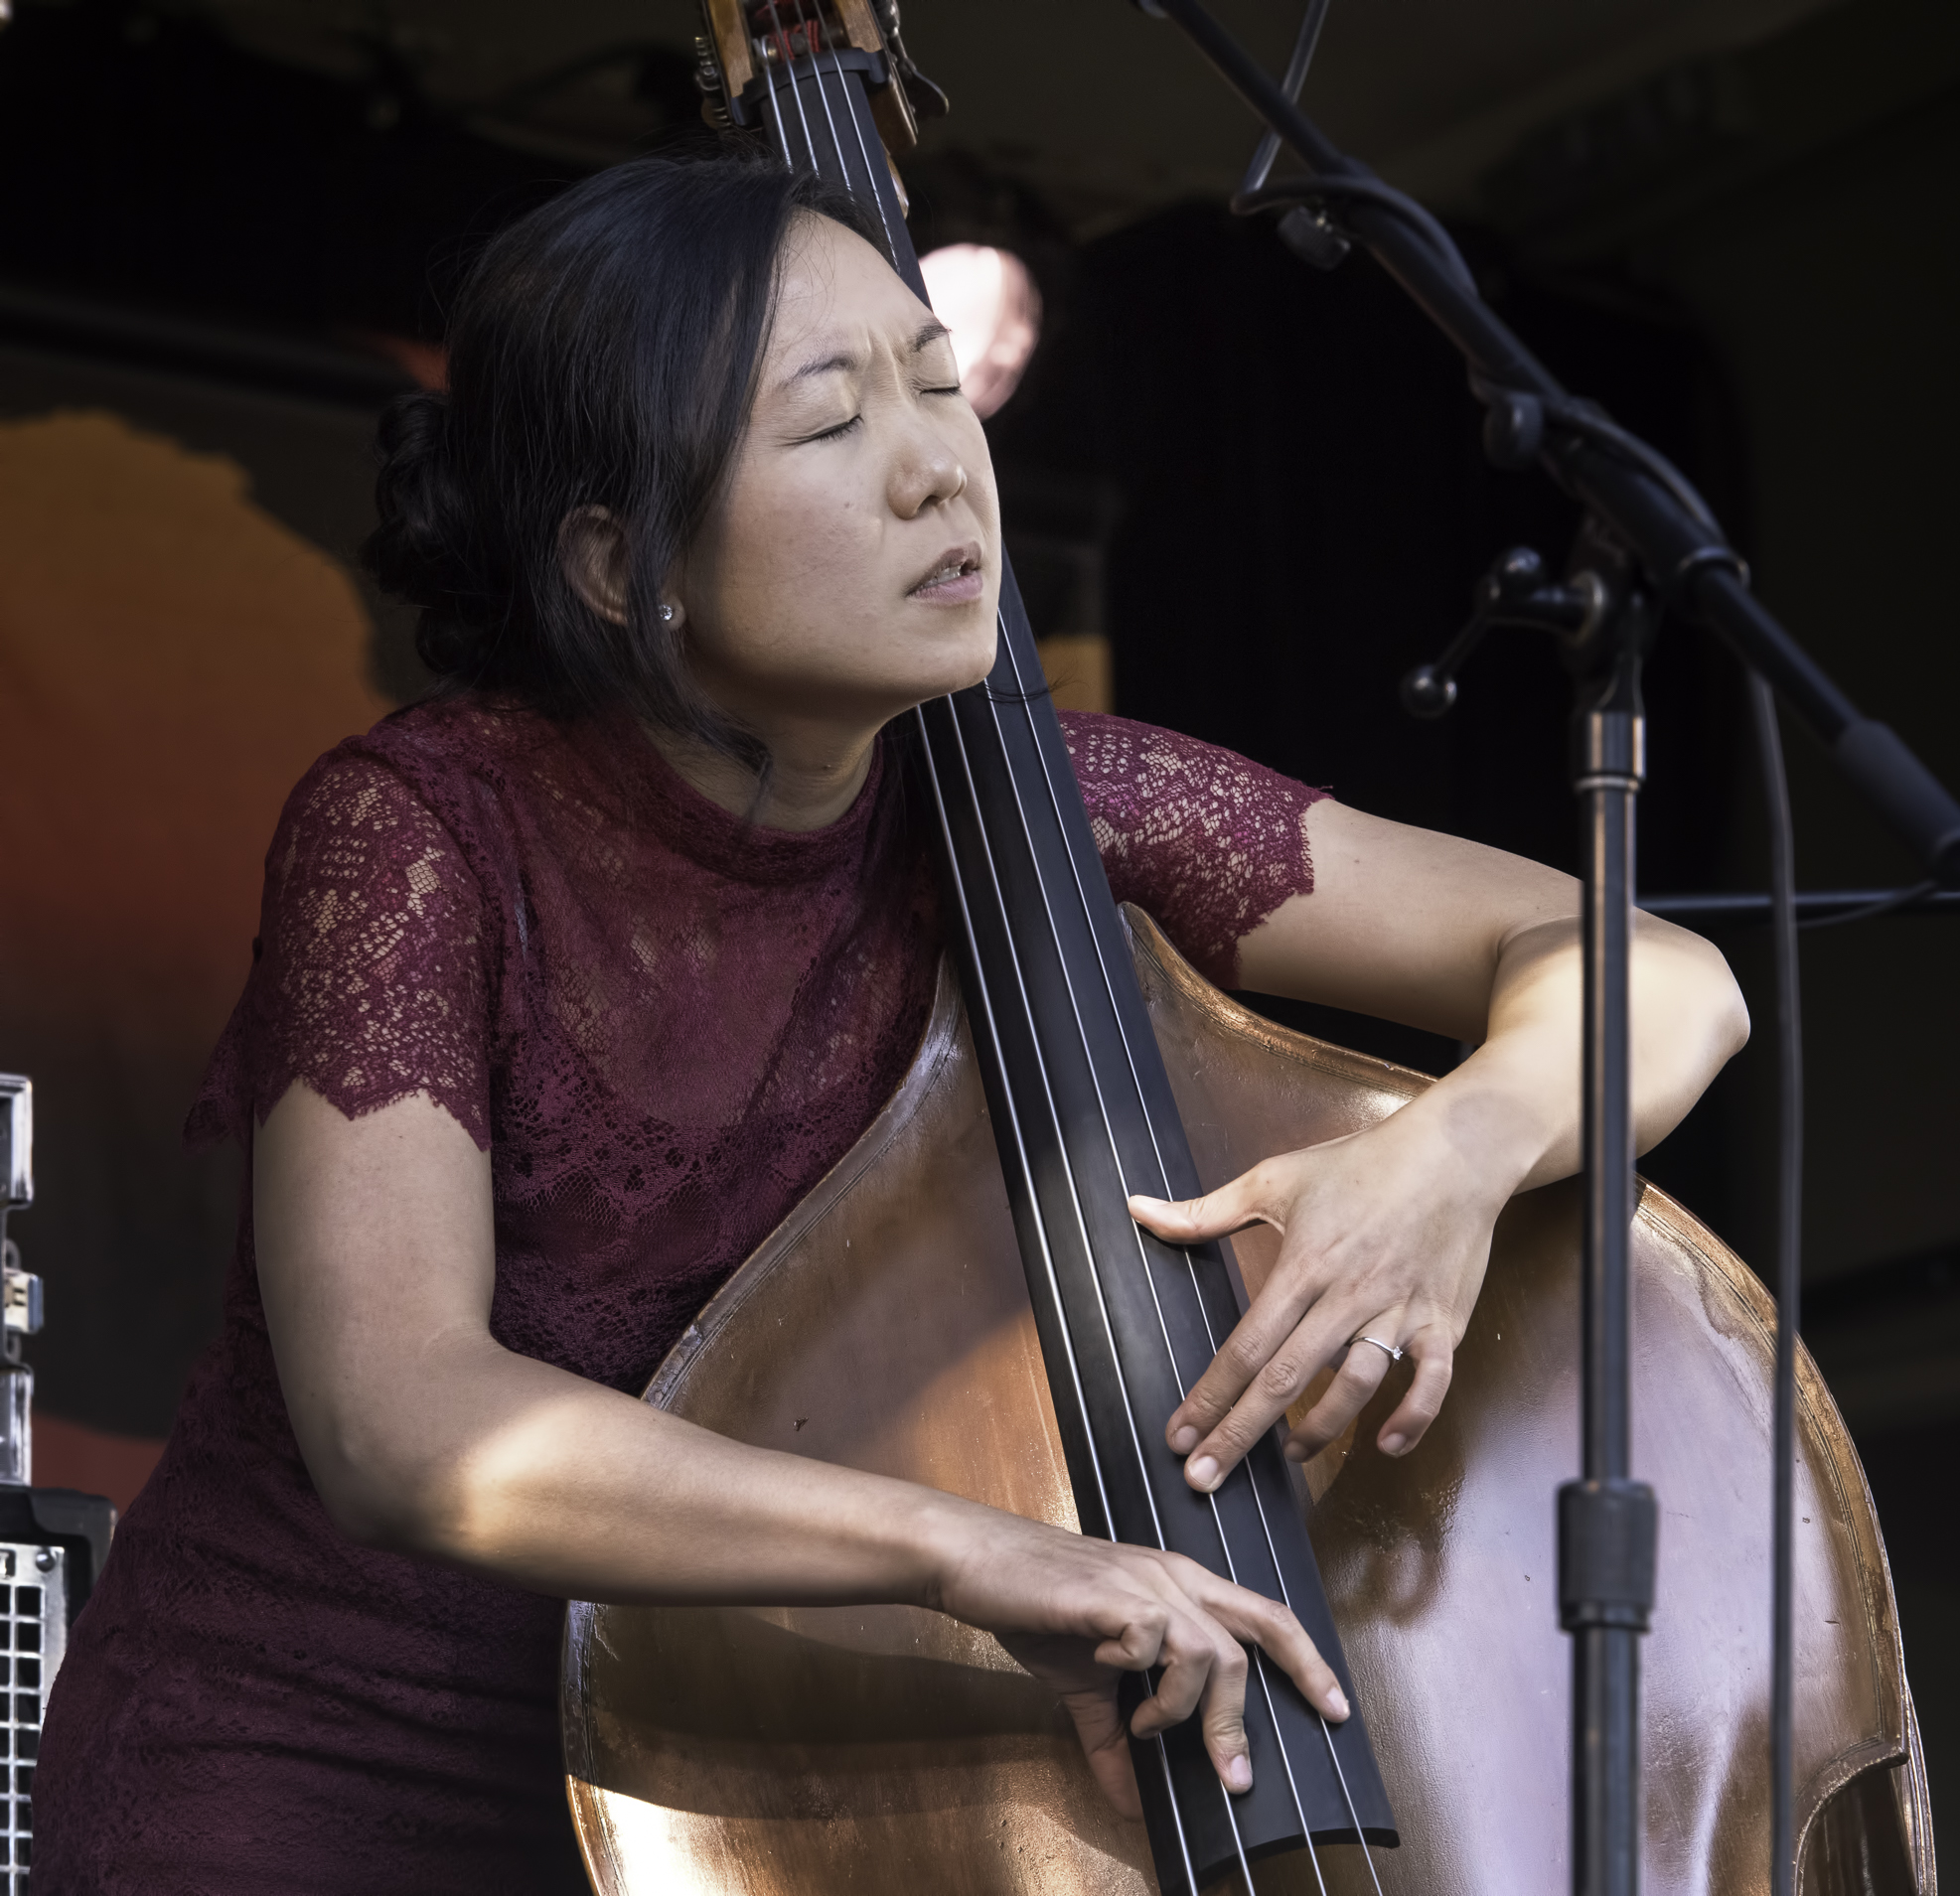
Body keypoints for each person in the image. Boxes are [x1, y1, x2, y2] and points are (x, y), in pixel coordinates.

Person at [35, 148, 1747, 1893]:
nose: (941, 469)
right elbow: (404, 1417)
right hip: (316, 1775)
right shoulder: (417, 834)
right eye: (832, 420)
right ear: (626, 564)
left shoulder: (1042, 799)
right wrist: (967, 1551)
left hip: (740, 1779)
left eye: (940, 385)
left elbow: (1657, 970)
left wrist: (1451, 1155)